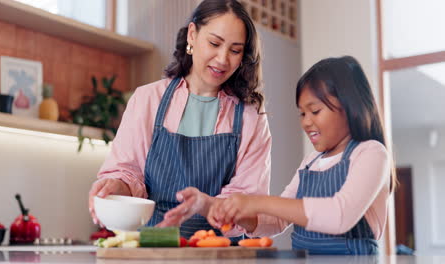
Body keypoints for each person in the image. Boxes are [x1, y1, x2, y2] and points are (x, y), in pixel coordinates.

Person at [88, 0, 271, 240]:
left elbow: (249, 201)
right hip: (154, 246)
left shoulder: (250, 116)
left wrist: (211, 207)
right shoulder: (147, 99)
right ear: (192, 35)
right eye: (214, 43)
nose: (223, 59)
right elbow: (128, 172)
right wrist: (116, 186)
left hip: (219, 250)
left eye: (235, 50)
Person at [207, 56, 396, 254]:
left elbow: (339, 215)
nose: (306, 122)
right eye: (303, 114)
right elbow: (277, 221)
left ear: (350, 107)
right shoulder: (310, 163)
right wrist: (241, 215)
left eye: (315, 111)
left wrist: (255, 202)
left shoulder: (371, 153)